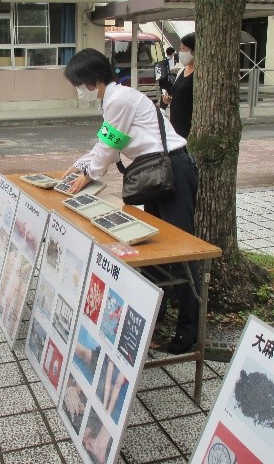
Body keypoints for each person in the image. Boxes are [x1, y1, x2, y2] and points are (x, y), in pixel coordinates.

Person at [63, 48, 200, 355]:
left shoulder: (119, 100)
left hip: (172, 171)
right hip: (158, 174)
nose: (78, 90)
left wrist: (87, 172)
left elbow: (110, 148)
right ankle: (157, 315)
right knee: (155, 249)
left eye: (79, 82)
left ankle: (189, 331)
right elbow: (105, 142)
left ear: (93, 79)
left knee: (184, 252)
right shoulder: (113, 99)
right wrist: (79, 165)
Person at [162, 32, 196, 139]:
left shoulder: (200, 74)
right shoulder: (181, 70)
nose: (180, 52)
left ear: (194, 50)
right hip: (176, 122)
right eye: (180, 49)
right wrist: (169, 100)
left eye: (184, 49)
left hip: (189, 123)